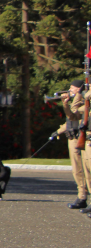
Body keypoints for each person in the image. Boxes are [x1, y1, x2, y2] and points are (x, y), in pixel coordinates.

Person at [56, 79, 89, 209]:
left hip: (82, 136)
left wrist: (79, 95)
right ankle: (82, 196)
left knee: (87, 170)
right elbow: (71, 117)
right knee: (77, 170)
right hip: (74, 137)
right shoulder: (77, 99)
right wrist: (65, 104)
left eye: (72, 87)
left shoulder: (83, 100)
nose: (70, 90)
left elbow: (76, 113)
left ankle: (86, 197)